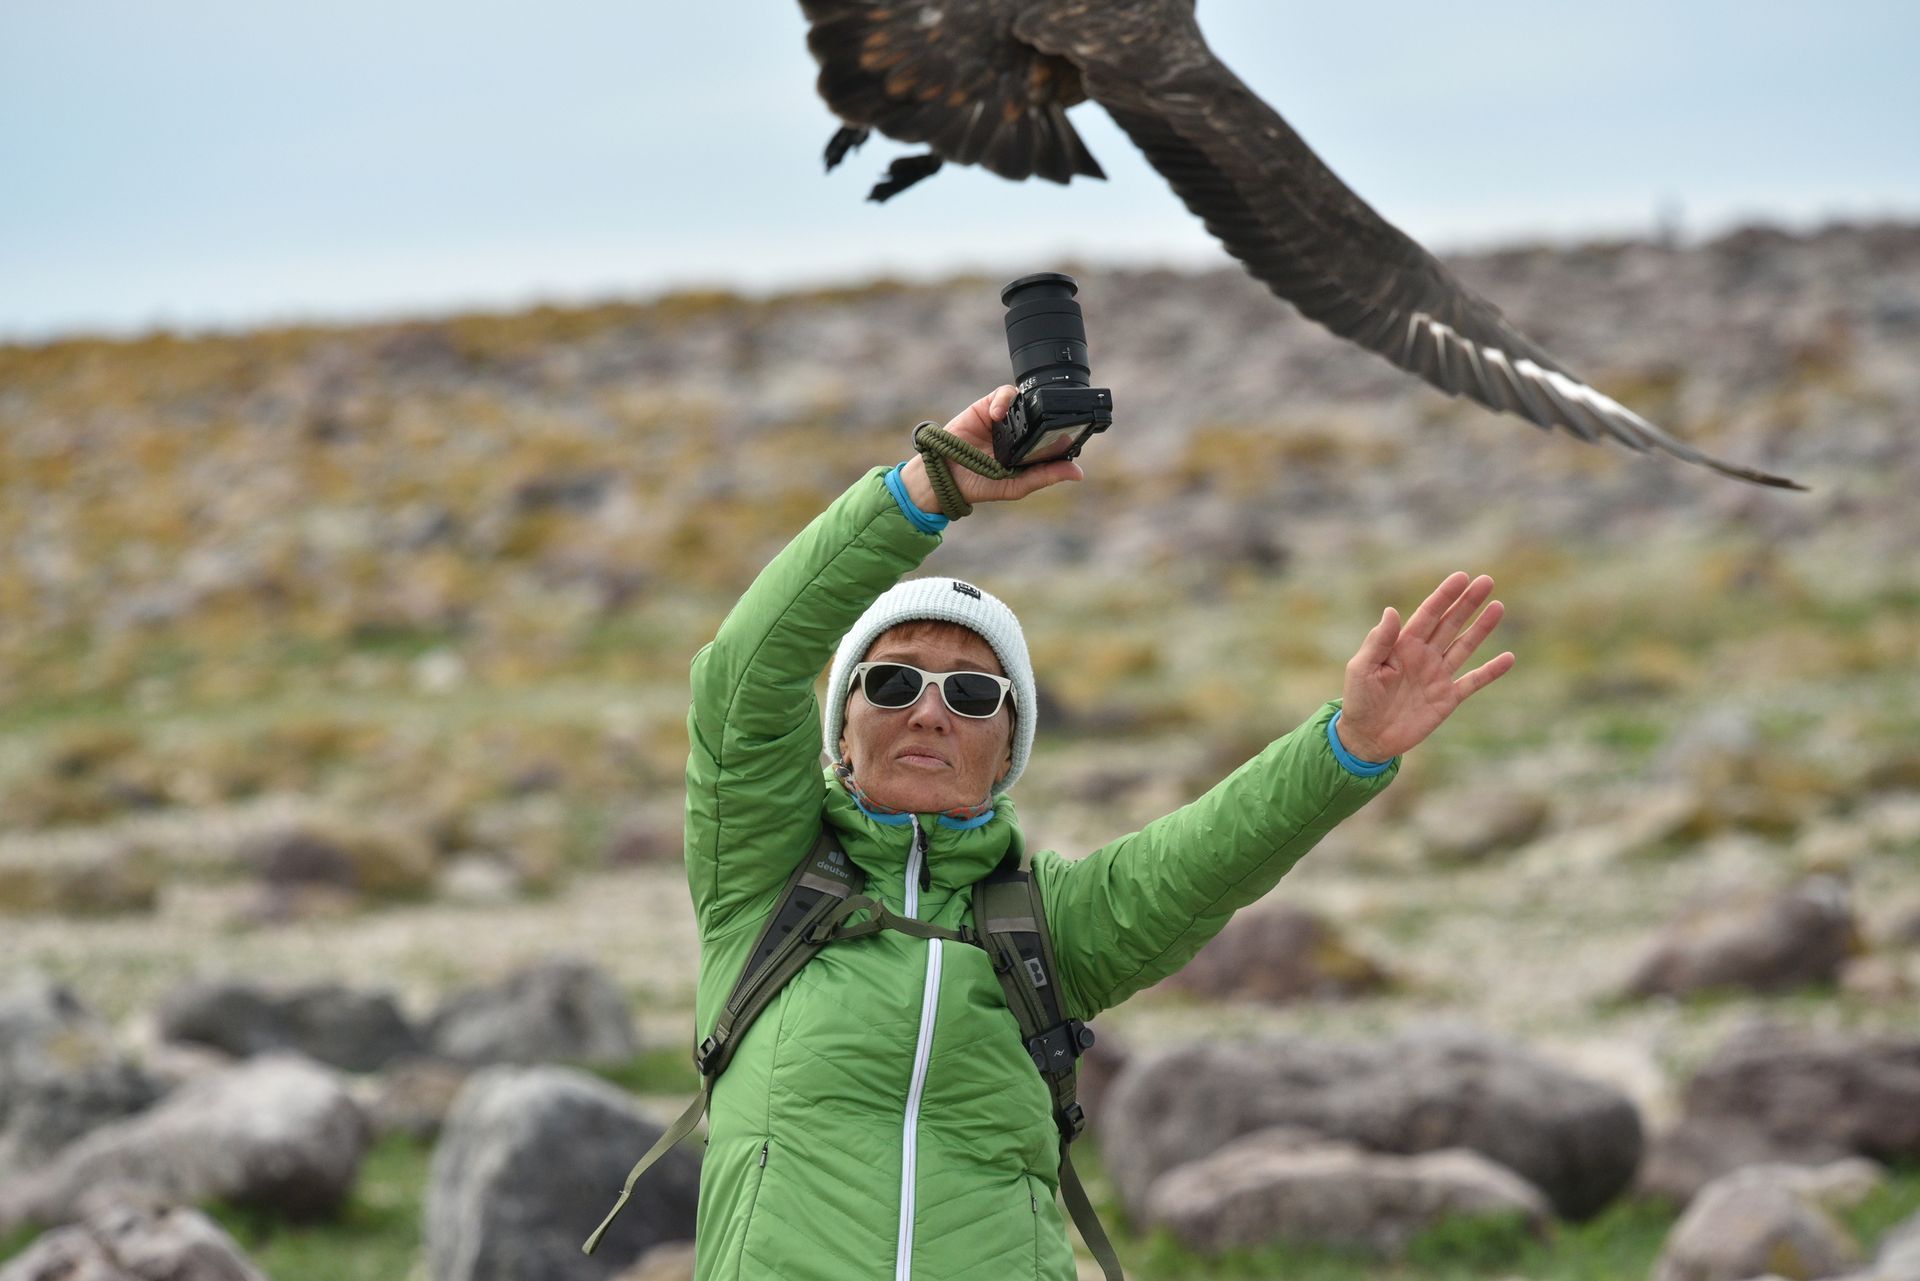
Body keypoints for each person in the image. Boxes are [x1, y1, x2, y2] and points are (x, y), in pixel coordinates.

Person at [681, 385, 1514, 1280]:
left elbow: (1204, 858)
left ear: (1007, 751)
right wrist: (928, 487)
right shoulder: (762, 876)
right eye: (892, 682)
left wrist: (1345, 748)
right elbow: (742, 676)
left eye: (972, 692)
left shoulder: (1042, 928)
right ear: (841, 730)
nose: (928, 712)